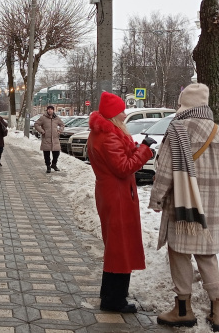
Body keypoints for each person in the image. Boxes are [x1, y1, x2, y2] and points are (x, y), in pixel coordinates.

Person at [149, 83, 219, 331]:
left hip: (181, 204)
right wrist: (213, 195)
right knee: (207, 255)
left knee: (179, 253)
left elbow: (164, 170)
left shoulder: (177, 128)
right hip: (210, 208)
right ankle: (217, 311)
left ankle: (183, 310)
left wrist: (157, 199)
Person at [87, 92, 154, 313]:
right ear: (113, 114)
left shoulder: (105, 133)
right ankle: (114, 300)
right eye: (121, 111)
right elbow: (124, 167)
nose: (125, 115)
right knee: (120, 246)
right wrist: (144, 150)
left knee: (116, 245)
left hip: (114, 193)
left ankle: (110, 293)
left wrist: (140, 147)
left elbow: (121, 158)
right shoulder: (109, 136)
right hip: (117, 195)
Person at [34, 105, 66, 173]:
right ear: (47, 110)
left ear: (53, 110)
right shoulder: (43, 118)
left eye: (51, 109)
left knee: (56, 152)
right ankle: (48, 166)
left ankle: (54, 164)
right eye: (49, 109)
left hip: (55, 138)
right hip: (46, 138)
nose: (50, 110)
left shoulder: (56, 118)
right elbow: (36, 124)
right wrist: (42, 131)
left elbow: (62, 125)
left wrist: (59, 131)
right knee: (46, 154)